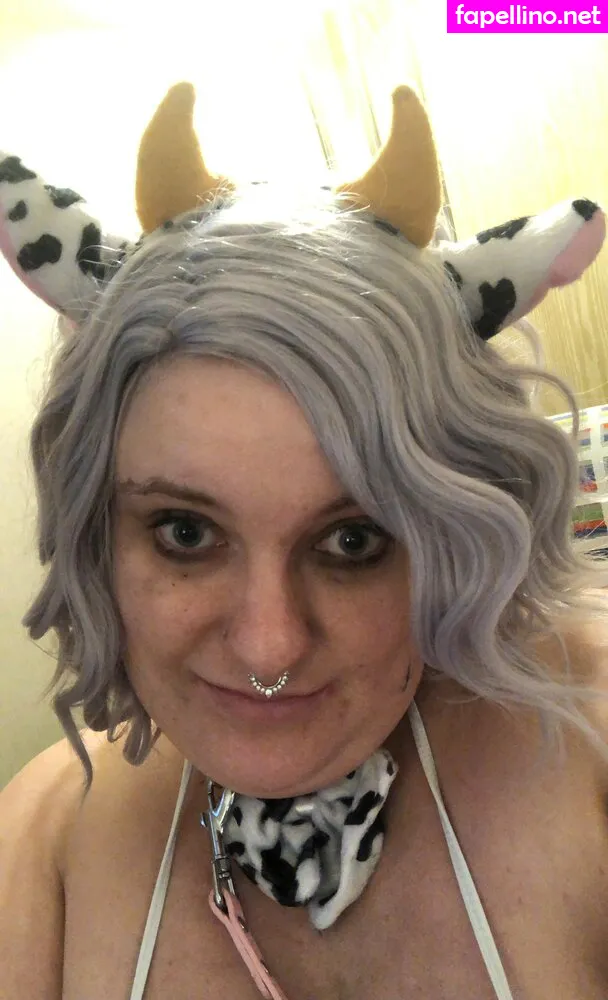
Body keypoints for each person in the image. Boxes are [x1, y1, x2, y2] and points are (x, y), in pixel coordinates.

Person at [0, 81, 607, 1000]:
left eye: (354, 540)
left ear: (447, 535)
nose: (269, 647)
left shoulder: (590, 741)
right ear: (97, 535)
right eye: (185, 532)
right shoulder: (43, 846)